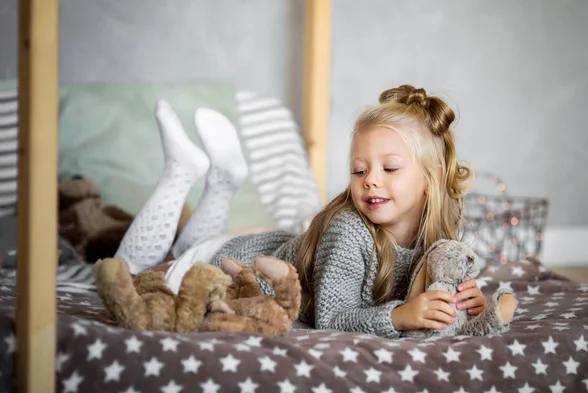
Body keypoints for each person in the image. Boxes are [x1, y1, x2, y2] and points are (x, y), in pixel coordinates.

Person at [114, 85, 487, 339]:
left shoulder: (439, 235)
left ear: (430, 179)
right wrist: (399, 317)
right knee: (132, 276)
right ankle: (179, 176)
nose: (370, 180)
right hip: (228, 264)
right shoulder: (349, 231)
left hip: (254, 245)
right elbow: (333, 318)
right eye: (359, 171)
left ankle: (222, 182)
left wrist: (467, 304)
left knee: (183, 249)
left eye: (389, 169)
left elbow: (436, 290)